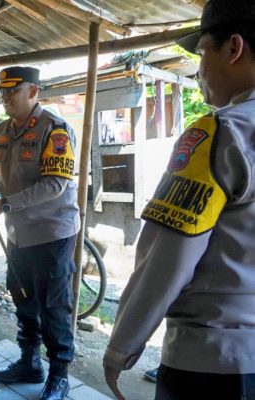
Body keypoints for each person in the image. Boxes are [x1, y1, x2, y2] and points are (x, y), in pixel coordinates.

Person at [103, 1, 255, 399]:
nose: (200, 68)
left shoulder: (221, 134)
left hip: (214, 360)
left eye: (202, 52)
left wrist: (121, 347)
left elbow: (165, 258)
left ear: (233, 48)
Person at [0, 66, 80, 400]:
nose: (4, 97)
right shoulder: (2, 131)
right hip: (19, 234)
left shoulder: (56, 131)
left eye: (11, 91)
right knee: (22, 297)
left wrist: (3, 205)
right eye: (1, 92)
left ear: (33, 92)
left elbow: (55, 185)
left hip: (52, 235)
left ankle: (59, 375)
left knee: (53, 306)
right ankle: (30, 362)